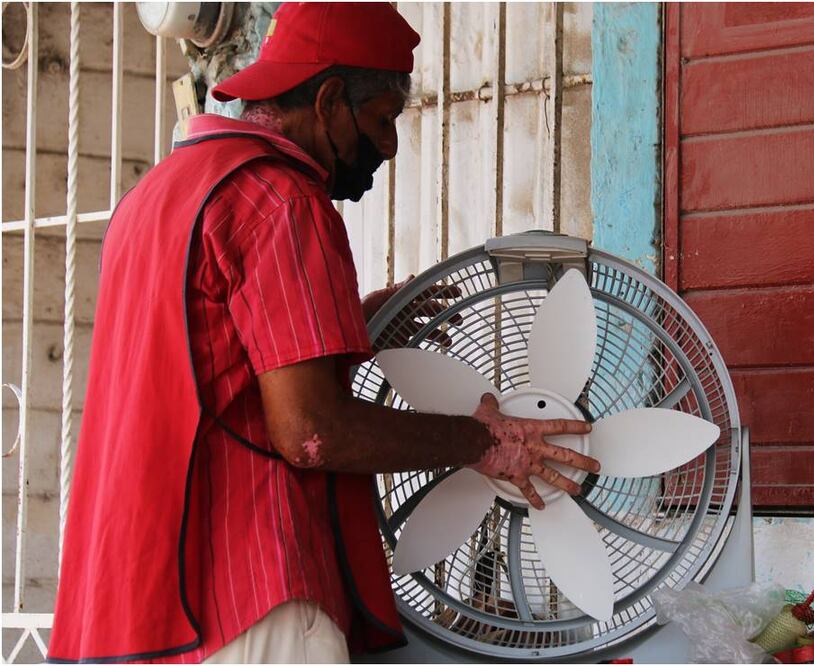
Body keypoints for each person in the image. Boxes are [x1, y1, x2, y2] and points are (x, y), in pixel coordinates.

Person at [47, 4, 599, 664]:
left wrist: (349, 321)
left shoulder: (159, 194)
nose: (391, 146)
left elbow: (206, 361)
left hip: (136, 606)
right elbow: (312, 433)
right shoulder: (280, 197)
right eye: (384, 119)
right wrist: (483, 441)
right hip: (250, 598)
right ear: (330, 99)